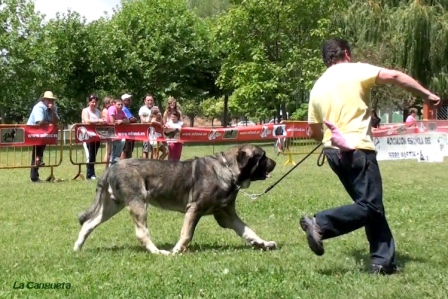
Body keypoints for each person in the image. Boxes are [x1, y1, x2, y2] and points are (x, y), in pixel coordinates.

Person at [301, 38, 441, 275]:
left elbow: (313, 131)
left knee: (370, 204)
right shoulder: (355, 71)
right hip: (357, 149)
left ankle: (382, 263)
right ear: (346, 53)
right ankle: (321, 223)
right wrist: (426, 95)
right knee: (371, 206)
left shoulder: (317, 87)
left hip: (332, 153)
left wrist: (327, 137)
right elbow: (395, 76)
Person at [27, 91, 60, 182]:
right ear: (44, 100)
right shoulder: (39, 107)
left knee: (39, 154)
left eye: (52, 100)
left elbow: (56, 121)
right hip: (34, 133)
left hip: (44, 133)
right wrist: (49, 123)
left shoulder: (54, 108)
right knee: (37, 155)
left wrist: (53, 112)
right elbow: (39, 122)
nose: (51, 102)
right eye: (49, 100)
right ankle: (34, 177)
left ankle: (35, 174)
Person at [81, 94, 106, 180]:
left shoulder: (98, 112)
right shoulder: (85, 110)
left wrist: (102, 121)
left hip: (96, 136)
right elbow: (87, 121)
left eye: (95, 102)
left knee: (94, 155)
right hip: (87, 136)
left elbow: (102, 121)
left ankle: (92, 173)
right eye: (92, 102)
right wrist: (98, 121)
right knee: (89, 155)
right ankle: (90, 174)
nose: (94, 104)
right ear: (89, 102)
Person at [107, 98, 129, 165]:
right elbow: (112, 121)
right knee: (110, 153)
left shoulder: (122, 111)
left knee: (116, 155)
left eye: (121, 104)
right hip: (110, 133)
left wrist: (121, 121)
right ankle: (108, 169)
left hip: (118, 134)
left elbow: (127, 120)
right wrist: (121, 121)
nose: (120, 106)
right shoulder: (112, 108)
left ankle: (114, 165)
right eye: (118, 104)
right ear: (114, 104)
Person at [121, 93, 138, 159]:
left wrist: (134, 119)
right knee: (125, 150)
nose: (129, 101)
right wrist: (134, 119)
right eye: (127, 100)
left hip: (129, 132)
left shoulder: (127, 109)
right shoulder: (124, 109)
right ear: (123, 101)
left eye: (129, 100)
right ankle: (123, 165)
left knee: (128, 149)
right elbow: (131, 119)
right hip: (125, 132)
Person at [138, 94, 155, 158]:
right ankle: (144, 166)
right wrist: (151, 119)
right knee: (146, 151)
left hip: (155, 133)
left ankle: (152, 167)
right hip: (146, 133)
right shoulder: (142, 109)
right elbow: (143, 120)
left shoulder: (155, 108)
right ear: (145, 101)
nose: (150, 102)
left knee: (154, 150)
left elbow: (159, 120)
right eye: (148, 100)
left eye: (151, 100)